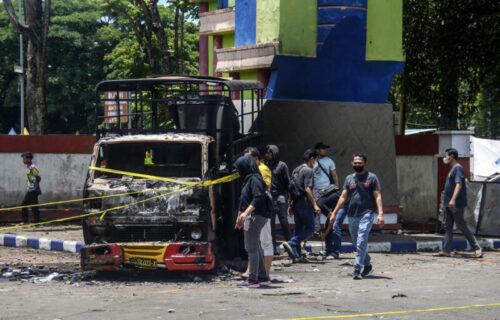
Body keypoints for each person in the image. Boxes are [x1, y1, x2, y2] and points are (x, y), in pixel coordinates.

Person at [327, 153, 384, 280]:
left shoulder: (372, 178)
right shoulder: (349, 179)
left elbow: (377, 196)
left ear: (365, 164)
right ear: (352, 164)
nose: (357, 165)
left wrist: (380, 214)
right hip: (352, 215)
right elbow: (343, 197)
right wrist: (334, 213)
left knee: (362, 239)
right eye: (355, 163)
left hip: (367, 213)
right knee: (357, 242)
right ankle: (367, 264)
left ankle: (357, 268)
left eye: (360, 163)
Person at [437, 148, 482, 258]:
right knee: (448, 227)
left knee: (461, 226)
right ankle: (446, 250)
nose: (445, 158)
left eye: (446, 155)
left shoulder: (458, 168)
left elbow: (459, 185)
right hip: (448, 203)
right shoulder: (452, 169)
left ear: (452, 156)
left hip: (455, 204)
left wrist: (453, 200)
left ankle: (477, 247)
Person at [234, 155, 270, 288]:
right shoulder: (251, 179)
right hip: (255, 216)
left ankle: (253, 279)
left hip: (255, 216)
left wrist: (245, 214)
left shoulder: (254, 179)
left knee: (251, 248)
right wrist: (240, 217)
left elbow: (257, 198)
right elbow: (244, 201)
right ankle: (262, 277)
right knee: (256, 246)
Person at [282, 149, 321, 262]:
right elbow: (307, 189)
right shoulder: (308, 171)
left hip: (296, 203)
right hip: (304, 203)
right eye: (315, 160)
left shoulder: (296, 170)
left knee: (298, 229)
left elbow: (291, 188)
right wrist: (315, 205)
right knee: (311, 228)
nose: (316, 163)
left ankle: (297, 256)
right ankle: (291, 243)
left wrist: (289, 204)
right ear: (312, 159)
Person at [240, 147, 273, 279]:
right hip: (256, 212)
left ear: (256, 159)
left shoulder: (260, 171)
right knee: (255, 244)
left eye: (248, 159)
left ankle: (259, 275)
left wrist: (247, 211)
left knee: (262, 243)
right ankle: (259, 274)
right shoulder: (251, 174)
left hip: (259, 212)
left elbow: (262, 193)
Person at [312, 142, 344, 259]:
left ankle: (333, 251)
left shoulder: (329, 161)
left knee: (333, 223)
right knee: (318, 213)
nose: (325, 150)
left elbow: (334, 175)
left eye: (325, 148)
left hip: (328, 191)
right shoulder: (312, 161)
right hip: (316, 191)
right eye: (323, 149)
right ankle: (327, 248)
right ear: (317, 150)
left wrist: (337, 188)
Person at [264, 145, 292, 252]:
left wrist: (289, 198)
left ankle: (290, 244)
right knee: (270, 222)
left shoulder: (282, 165)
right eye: (266, 152)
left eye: (270, 153)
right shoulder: (265, 165)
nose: (268, 155)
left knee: (283, 220)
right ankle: (273, 247)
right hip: (270, 197)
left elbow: (288, 183)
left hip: (280, 195)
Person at [20, 152, 42, 224]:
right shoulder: (29, 167)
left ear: (29, 159)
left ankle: (37, 222)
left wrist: (35, 186)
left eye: (24, 158)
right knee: (24, 204)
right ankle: (25, 221)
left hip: (34, 190)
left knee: (34, 206)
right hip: (30, 189)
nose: (23, 160)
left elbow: (38, 177)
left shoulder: (32, 168)